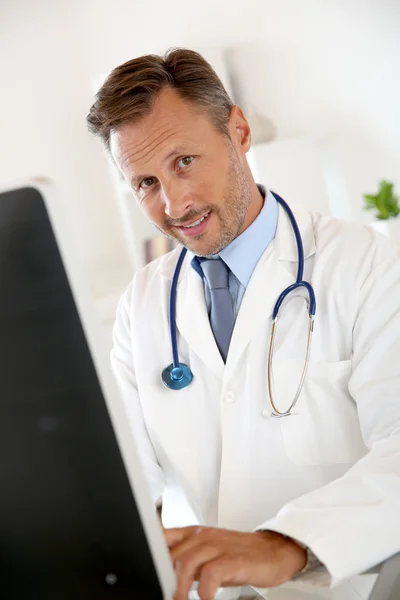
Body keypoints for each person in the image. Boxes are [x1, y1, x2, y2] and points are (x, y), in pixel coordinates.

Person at [86, 48, 400, 600]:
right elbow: (123, 476)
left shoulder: (368, 267)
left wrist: (283, 544)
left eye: (184, 161)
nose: (174, 203)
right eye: (145, 183)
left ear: (239, 131)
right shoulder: (143, 303)